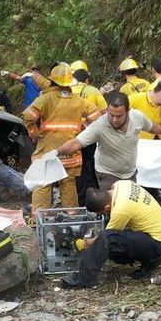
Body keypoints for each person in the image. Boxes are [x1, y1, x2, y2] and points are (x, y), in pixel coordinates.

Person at [53, 92, 161, 191]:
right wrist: (56, 152)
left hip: (130, 173)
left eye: (119, 116)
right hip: (107, 173)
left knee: (130, 206)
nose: (114, 120)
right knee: (114, 205)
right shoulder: (100, 125)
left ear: (128, 112)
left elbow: (153, 127)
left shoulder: (137, 117)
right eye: (111, 115)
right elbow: (76, 143)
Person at [22, 63, 102, 216]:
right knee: (69, 186)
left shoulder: (45, 99)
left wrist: (34, 132)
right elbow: (96, 115)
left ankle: (39, 219)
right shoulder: (78, 100)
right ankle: (72, 218)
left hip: (48, 152)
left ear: (52, 81)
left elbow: (28, 115)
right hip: (70, 154)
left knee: (43, 185)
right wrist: (82, 129)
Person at [62, 181, 161, 288]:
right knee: (112, 246)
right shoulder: (122, 184)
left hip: (157, 243)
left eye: (101, 213)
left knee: (107, 239)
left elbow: (104, 239)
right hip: (153, 236)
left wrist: (84, 243)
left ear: (106, 208)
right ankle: (149, 261)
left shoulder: (121, 209)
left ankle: (83, 279)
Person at [70, 64, 107, 204]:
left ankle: (80, 198)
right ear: (86, 80)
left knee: (76, 167)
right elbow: (104, 112)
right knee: (92, 163)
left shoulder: (67, 91)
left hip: (70, 135)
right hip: (90, 134)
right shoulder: (93, 90)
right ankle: (96, 195)